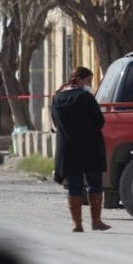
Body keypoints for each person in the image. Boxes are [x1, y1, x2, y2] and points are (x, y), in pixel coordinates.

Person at [51, 66, 110, 233]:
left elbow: (55, 123)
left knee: (74, 186)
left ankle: (77, 224)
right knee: (95, 185)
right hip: (90, 147)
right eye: (88, 81)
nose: (89, 84)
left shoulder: (57, 98)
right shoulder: (85, 97)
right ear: (78, 79)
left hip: (68, 150)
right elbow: (100, 121)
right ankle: (96, 221)